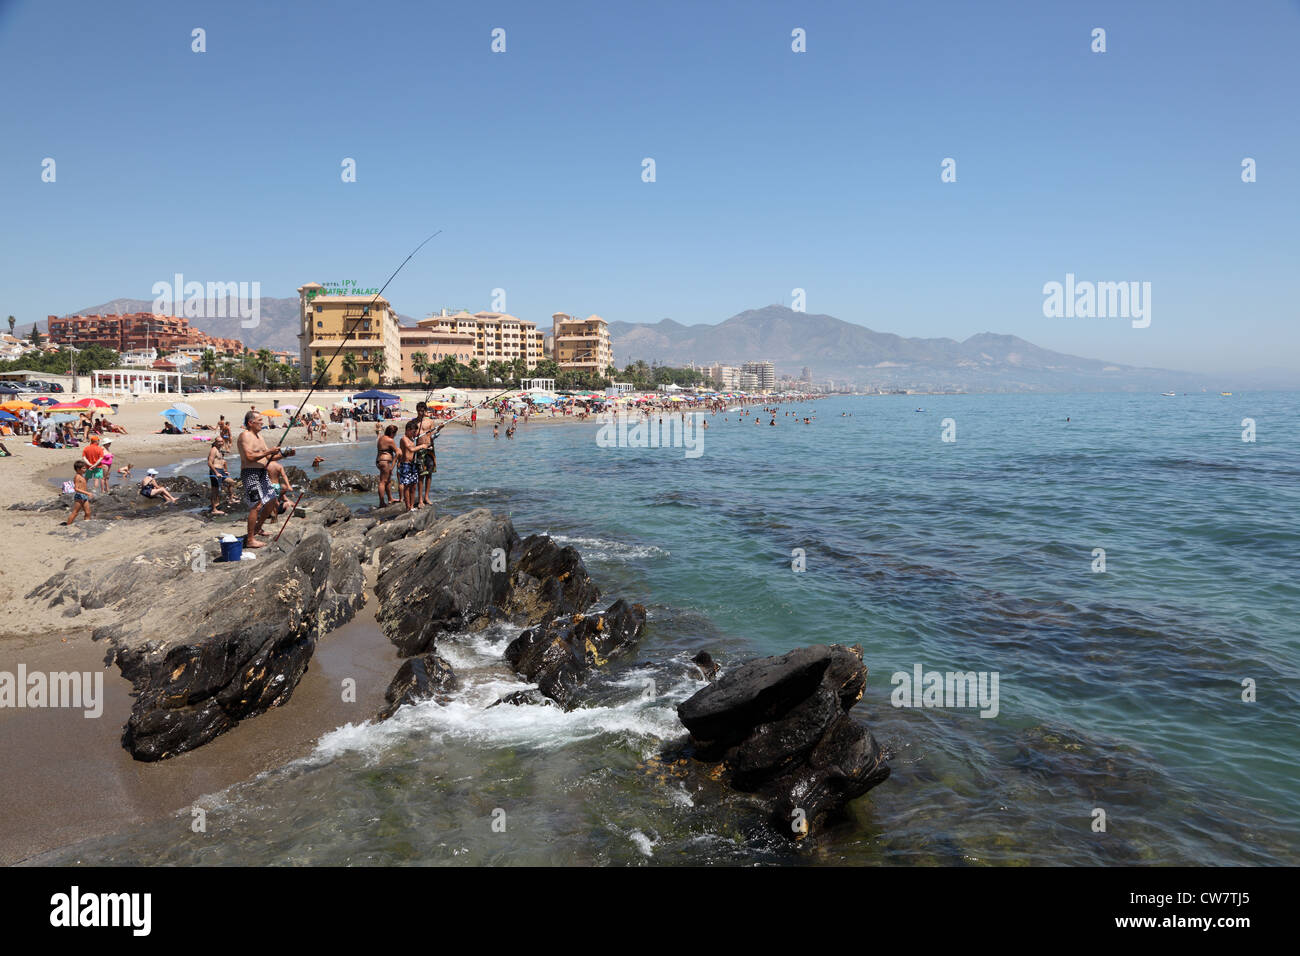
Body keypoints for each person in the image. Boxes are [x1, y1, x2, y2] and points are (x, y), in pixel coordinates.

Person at [238, 409, 295, 549]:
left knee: (271, 501)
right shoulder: (245, 436)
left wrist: (285, 454)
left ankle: (258, 527)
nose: (262, 423)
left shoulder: (260, 437)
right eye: (260, 421)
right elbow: (249, 457)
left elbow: (268, 457)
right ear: (251, 422)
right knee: (256, 505)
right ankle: (250, 539)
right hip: (250, 473)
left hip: (263, 473)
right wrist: (269, 451)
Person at [397, 419, 419, 512]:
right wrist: (422, 446)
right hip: (405, 464)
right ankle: (407, 507)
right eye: (413, 432)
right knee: (407, 486)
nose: (414, 434)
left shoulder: (412, 439)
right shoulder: (403, 439)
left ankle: (412, 505)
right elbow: (410, 449)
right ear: (408, 430)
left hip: (413, 464)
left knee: (414, 486)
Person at [207, 439, 232, 515]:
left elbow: (222, 461)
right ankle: (214, 509)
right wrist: (216, 473)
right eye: (219, 441)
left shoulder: (219, 450)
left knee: (231, 482)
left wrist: (225, 471)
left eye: (222, 441)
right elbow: (209, 463)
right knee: (215, 491)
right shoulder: (213, 450)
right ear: (215, 442)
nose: (221, 443)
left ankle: (230, 498)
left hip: (220, 471)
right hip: (215, 471)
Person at [376, 424, 398, 506]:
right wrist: (393, 466)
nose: (395, 436)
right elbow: (397, 452)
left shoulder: (381, 438)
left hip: (379, 460)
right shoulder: (390, 440)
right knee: (383, 481)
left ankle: (390, 498)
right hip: (385, 462)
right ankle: (381, 502)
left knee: (388, 480)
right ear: (392, 433)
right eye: (395, 434)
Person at [67, 460, 93, 525]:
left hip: (84, 496)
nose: (85, 469)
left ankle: (86, 524)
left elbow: (85, 481)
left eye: (85, 468)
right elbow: (76, 489)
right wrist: (87, 493)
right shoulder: (77, 477)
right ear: (78, 469)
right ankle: (68, 525)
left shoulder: (82, 476)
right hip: (79, 496)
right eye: (84, 468)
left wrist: (89, 472)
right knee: (75, 512)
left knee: (88, 512)